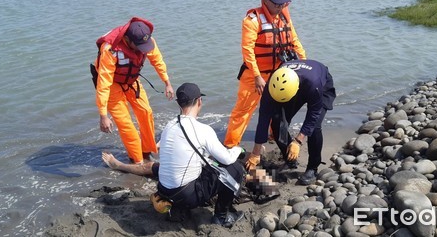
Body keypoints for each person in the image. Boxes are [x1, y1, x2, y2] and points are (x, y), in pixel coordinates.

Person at [224, 0, 307, 148]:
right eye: (276, 3)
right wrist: (257, 76)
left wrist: (305, 65)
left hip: (278, 74)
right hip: (254, 75)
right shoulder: (252, 21)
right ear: (266, 1)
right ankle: (230, 144)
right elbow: (247, 51)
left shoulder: (284, 17)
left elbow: (294, 41)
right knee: (242, 111)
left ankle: (272, 133)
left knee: (277, 108)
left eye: (282, 3)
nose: (279, 6)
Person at [156, 83, 246, 228]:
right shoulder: (204, 130)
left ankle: (178, 207)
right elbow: (227, 158)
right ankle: (222, 217)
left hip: (164, 190)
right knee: (235, 168)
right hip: (186, 196)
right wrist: (238, 149)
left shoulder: (168, 126)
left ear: (179, 103)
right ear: (199, 101)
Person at [93, 16, 174, 165]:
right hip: (112, 85)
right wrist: (103, 115)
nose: (143, 49)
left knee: (146, 111)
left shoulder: (146, 41)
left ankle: (147, 150)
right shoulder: (110, 50)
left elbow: (157, 60)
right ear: (128, 40)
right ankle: (137, 161)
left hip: (131, 80)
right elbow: (103, 83)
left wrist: (167, 82)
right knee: (126, 124)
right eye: (139, 47)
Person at [244, 59, 336, 186]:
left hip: (319, 84)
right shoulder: (271, 85)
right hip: (286, 86)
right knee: (277, 122)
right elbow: (264, 118)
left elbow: (313, 114)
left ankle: (312, 168)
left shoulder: (314, 83)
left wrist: (298, 141)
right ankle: (290, 158)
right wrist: (256, 152)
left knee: (314, 127)